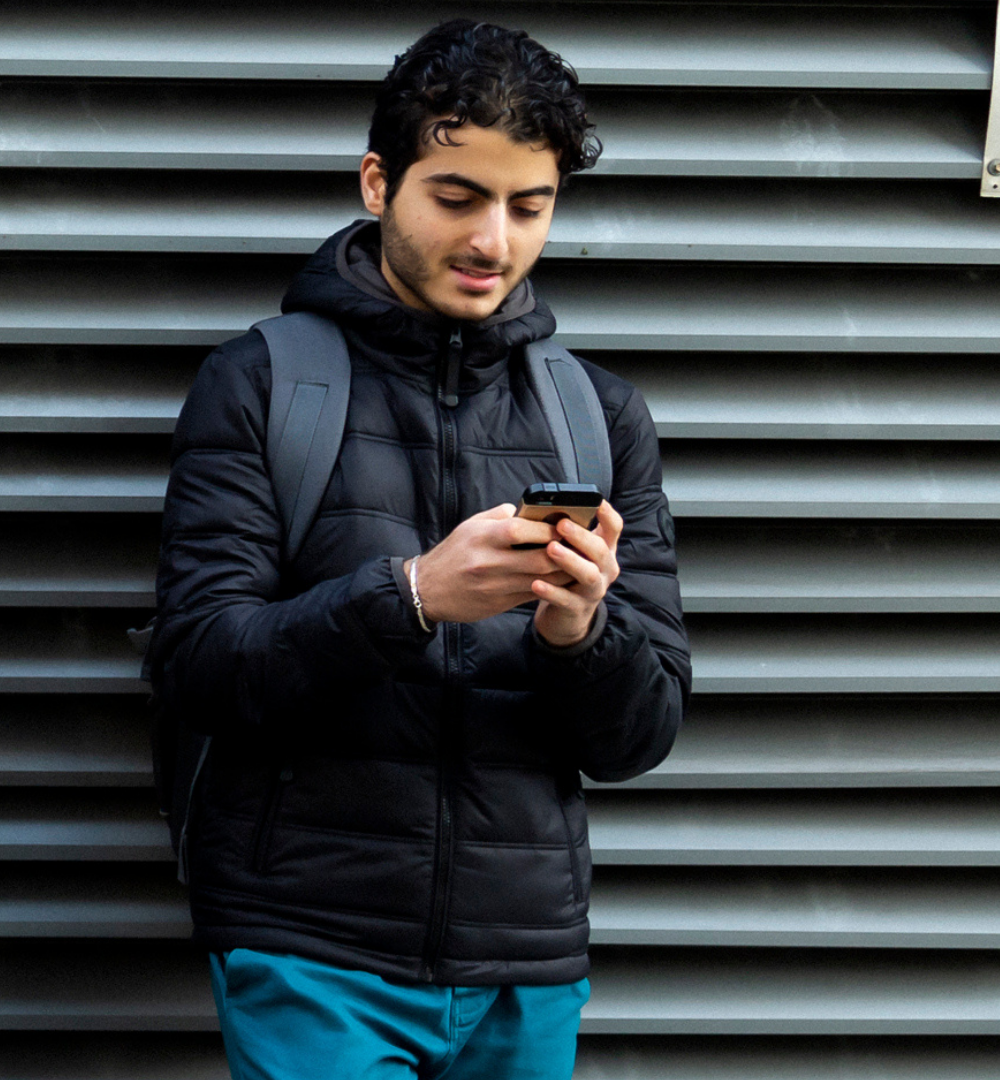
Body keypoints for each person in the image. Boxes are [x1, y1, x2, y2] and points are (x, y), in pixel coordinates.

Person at [153, 19, 690, 1080]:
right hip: (311, 948)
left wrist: (578, 633)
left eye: (528, 207)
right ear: (376, 183)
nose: (494, 239)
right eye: (457, 198)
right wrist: (411, 596)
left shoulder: (598, 416)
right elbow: (199, 664)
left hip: (523, 963)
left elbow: (642, 734)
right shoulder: (262, 384)